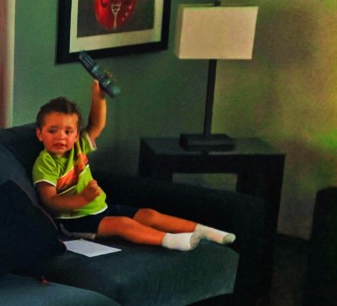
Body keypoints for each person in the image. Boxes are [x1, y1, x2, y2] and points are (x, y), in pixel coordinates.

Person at [32, 82, 236, 250]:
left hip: (102, 208)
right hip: (77, 221)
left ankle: (205, 231)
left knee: (149, 214)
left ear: (76, 134)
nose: (61, 137)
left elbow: (96, 125)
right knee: (123, 224)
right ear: (40, 134)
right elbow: (50, 201)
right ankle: (169, 240)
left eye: (68, 131)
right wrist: (82, 198)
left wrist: (98, 97)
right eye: (52, 131)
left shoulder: (78, 147)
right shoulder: (45, 163)